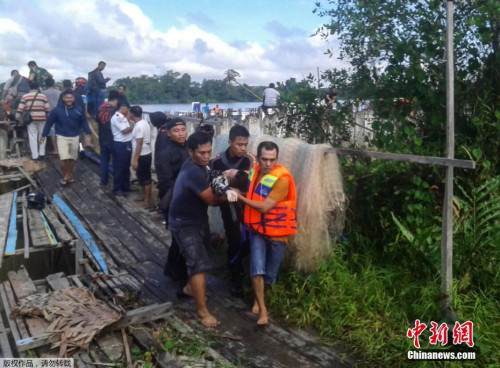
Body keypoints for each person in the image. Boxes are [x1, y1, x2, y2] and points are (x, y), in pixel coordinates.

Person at [168, 131, 237, 327]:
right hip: (184, 223)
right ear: (190, 152)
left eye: (208, 152)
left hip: (196, 218)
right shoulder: (193, 172)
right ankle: (202, 312)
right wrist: (233, 193)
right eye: (201, 153)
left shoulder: (199, 166)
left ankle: (189, 289)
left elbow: (211, 177)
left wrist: (222, 181)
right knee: (198, 264)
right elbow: (212, 200)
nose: (206, 156)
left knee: (203, 258)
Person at [237, 141, 297, 326]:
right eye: (264, 159)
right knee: (257, 269)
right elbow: (249, 187)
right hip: (256, 231)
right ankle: (263, 310)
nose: (268, 164)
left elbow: (264, 207)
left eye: (272, 160)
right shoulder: (254, 171)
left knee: (270, 275)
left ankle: (258, 298)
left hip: (277, 234)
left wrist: (239, 197)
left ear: (277, 159)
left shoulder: (282, 180)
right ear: (258, 158)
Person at [210, 125, 255, 297]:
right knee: (234, 240)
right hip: (227, 205)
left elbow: (253, 186)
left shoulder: (250, 160)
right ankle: (236, 279)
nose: (243, 148)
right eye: (239, 144)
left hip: (248, 204)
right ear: (230, 142)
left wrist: (237, 191)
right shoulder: (217, 161)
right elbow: (214, 185)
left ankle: (248, 275)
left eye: (245, 144)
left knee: (250, 241)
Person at [155, 118, 189, 297]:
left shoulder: (188, 149)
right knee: (181, 238)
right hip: (174, 199)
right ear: (169, 134)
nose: (181, 134)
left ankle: (171, 268)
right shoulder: (165, 154)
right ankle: (183, 280)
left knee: (178, 239)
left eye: (183, 130)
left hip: (188, 198)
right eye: (176, 131)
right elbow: (165, 182)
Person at [41, 90, 92, 185]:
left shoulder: (79, 110)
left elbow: (84, 122)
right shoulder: (56, 110)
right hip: (61, 137)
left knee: (72, 159)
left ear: (74, 99)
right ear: (63, 98)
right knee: (64, 159)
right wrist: (43, 135)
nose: (69, 99)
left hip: (75, 137)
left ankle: (68, 175)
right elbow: (49, 123)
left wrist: (88, 133)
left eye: (71, 98)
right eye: (67, 98)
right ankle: (65, 176)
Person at [15, 81, 50, 160]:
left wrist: (17, 117)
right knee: (42, 136)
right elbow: (47, 109)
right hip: (42, 119)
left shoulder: (25, 96)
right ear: (38, 88)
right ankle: (42, 154)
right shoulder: (43, 96)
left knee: (32, 137)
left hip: (30, 119)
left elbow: (20, 108)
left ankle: (35, 156)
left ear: (29, 88)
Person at [130, 106, 152, 208]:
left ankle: (147, 201)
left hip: (143, 155)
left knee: (146, 178)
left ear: (132, 114)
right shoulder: (144, 123)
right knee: (142, 177)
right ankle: (144, 197)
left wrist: (135, 160)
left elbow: (139, 143)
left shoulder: (139, 126)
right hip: (146, 153)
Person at [96, 90, 119, 187]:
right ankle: (116, 183)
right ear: (116, 100)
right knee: (116, 161)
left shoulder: (100, 109)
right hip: (113, 139)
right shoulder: (114, 112)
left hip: (102, 138)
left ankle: (103, 181)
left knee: (104, 160)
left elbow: (97, 121)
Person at [110, 102, 133, 196]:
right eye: (127, 108)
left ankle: (126, 186)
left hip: (126, 143)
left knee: (126, 166)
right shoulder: (117, 117)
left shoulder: (122, 117)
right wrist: (134, 126)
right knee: (119, 167)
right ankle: (117, 188)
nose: (128, 111)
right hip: (120, 144)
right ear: (123, 107)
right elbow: (124, 130)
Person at [43, 77, 61, 155]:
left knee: (52, 131)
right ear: (53, 84)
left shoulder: (43, 93)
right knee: (60, 131)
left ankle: (55, 149)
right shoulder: (59, 92)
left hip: (49, 113)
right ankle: (62, 149)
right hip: (60, 112)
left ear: (45, 84)